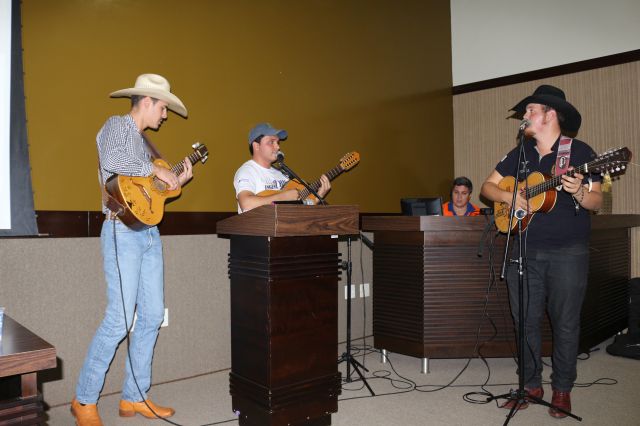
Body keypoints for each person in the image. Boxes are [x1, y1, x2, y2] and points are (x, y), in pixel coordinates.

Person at [72, 74, 193, 425]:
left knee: (152, 315)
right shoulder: (117, 126)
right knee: (120, 318)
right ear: (147, 101)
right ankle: (84, 400)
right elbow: (113, 159)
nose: (165, 115)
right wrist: (156, 171)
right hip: (121, 231)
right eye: (163, 108)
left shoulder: (144, 145)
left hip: (149, 233)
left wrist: (175, 181)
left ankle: (134, 397)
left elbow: (148, 190)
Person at [480, 85, 602, 418]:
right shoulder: (518, 154)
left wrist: (578, 191)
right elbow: (488, 187)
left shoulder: (580, 152)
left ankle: (562, 389)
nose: (524, 116)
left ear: (550, 114)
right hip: (523, 250)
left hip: (568, 252)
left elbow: (596, 201)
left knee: (565, 323)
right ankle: (530, 385)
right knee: (525, 322)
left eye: (530, 110)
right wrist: (508, 196)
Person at [233, 123, 331, 213]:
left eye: (277, 142)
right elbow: (246, 204)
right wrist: (283, 196)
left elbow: (298, 211)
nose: (277, 147)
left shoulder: (283, 174)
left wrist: (318, 197)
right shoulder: (247, 171)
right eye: (271, 142)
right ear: (256, 146)